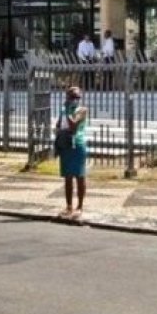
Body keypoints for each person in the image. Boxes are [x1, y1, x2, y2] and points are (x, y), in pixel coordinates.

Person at [56, 85, 89, 220]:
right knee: (67, 177)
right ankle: (69, 205)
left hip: (78, 144)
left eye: (77, 97)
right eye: (72, 97)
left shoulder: (82, 110)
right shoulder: (63, 110)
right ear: (67, 97)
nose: (75, 100)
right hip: (66, 145)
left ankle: (80, 206)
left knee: (80, 176)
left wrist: (67, 112)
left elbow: (73, 125)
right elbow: (58, 125)